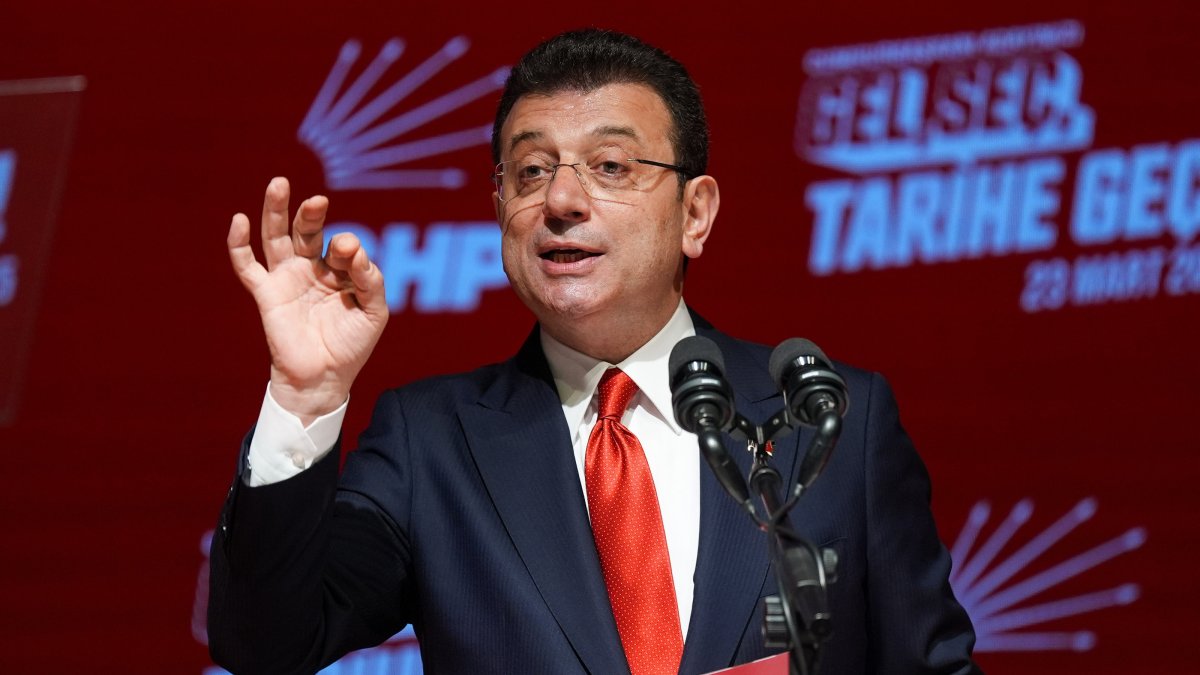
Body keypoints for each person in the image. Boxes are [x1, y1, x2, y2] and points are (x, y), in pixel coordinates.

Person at [208, 29, 980, 675]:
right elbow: (267, 644)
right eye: (532, 170)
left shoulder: (832, 421)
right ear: (500, 207)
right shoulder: (431, 441)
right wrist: (304, 395)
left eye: (611, 166)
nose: (563, 201)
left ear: (695, 213)